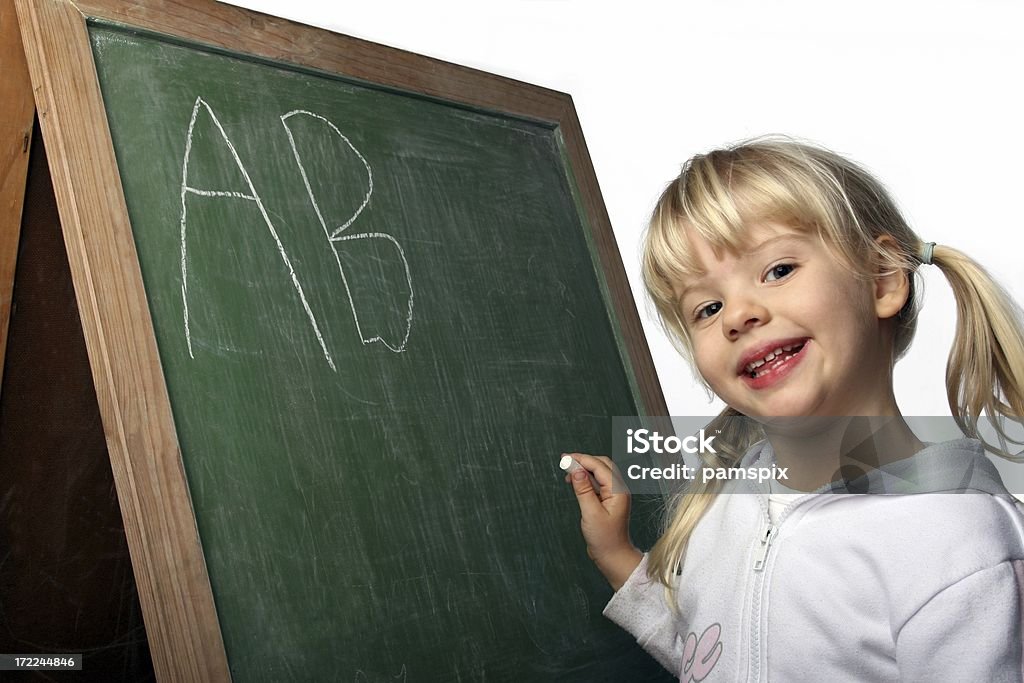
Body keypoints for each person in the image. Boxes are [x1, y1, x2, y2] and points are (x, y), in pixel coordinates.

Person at [564, 137, 1024, 681]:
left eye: (778, 270)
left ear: (881, 278)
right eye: (707, 308)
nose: (737, 314)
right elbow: (714, 659)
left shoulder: (961, 550)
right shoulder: (725, 501)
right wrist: (616, 556)